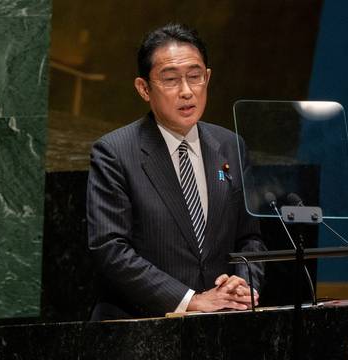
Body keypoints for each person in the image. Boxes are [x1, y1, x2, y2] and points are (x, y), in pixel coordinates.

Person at [86, 23, 266, 320]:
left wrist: (243, 284)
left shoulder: (231, 146)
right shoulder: (115, 152)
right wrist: (190, 301)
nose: (186, 91)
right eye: (170, 80)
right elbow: (111, 249)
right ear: (144, 88)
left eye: (195, 77)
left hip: (221, 324)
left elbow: (250, 239)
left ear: (207, 78)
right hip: (142, 326)